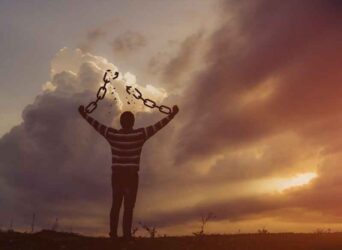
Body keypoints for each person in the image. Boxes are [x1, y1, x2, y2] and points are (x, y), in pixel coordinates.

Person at [78, 104, 179, 240]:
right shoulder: (140, 134)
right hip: (131, 176)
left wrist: (84, 115)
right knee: (128, 207)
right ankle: (126, 235)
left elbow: (97, 126)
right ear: (133, 123)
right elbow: (157, 126)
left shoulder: (113, 135)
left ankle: (113, 234)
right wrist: (171, 115)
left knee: (116, 205)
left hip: (117, 175)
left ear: (121, 122)